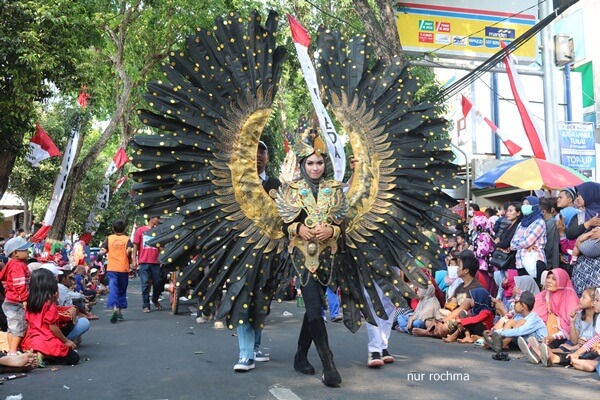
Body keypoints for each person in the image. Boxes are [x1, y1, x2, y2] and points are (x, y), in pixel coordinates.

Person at [276, 130, 345, 387]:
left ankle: (300, 355)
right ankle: (329, 365)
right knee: (315, 307)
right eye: (310, 163)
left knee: (315, 309)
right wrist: (297, 229)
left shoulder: (335, 189)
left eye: (319, 162)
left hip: (327, 256)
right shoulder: (291, 190)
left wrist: (333, 230)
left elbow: (343, 224)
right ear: (303, 165)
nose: (315, 167)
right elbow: (281, 224)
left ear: (325, 164)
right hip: (302, 256)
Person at [233, 140, 280, 372]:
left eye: (262, 151)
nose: (258, 155)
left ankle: (256, 346)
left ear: (267, 158)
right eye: (254, 151)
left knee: (261, 299)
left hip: (269, 252)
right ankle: (245, 354)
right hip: (242, 250)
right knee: (243, 298)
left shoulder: (275, 185)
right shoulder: (239, 183)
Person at [22, 268, 79, 365]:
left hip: (32, 339)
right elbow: (52, 327)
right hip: (46, 340)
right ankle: (43, 355)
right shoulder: (49, 304)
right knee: (74, 358)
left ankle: (40, 354)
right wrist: (66, 341)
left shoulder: (30, 302)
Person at [0, 237, 33, 355]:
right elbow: (19, 284)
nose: (28, 252)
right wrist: (24, 299)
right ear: (15, 253)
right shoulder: (18, 265)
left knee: (12, 328)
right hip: (16, 302)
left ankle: (11, 350)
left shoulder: (11, 264)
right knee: (19, 327)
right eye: (24, 250)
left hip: (10, 300)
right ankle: (13, 352)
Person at [532, 269, 580, 348]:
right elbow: (535, 312)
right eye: (548, 278)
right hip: (550, 329)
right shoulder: (547, 294)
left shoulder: (570, 298)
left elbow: (570, 325)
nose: (549, 281)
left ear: (562, 281)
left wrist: (554, 336)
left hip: (564, 335)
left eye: (554, 279)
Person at [568, 182, 600, 296]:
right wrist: (588, 224)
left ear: (590, 195)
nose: (577, 198)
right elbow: (570, 233)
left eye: (580, 195)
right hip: (581, 267)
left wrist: (579, 243)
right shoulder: (580, 215)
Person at [101, 220, 132, 323]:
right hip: (123, 268)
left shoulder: (109, 238)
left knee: (113, 288)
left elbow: (104, 251)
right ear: (125, 229)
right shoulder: (127, 239)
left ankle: (114, 308)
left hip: (112, 268)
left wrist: (99, 255)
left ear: (113, 229)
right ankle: (119, 311)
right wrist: (130, 258)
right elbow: (129, 250)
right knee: (122, 289)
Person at [510, 196, 547, 283]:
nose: (525, 206)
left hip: (534, 261)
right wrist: (524, 244)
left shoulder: (539, 222)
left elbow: (527, 241)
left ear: (535, 206)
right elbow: (512, 244)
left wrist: (520, 243)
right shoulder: (521, 223)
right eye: (523, 204)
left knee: (535, 292)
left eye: (528, 204)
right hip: (520, 263)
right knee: (524, 292)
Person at [132, 214, 163, 313]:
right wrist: (134, 260)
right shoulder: (140, 230)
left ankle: (155, 299)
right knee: (145, 284)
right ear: (152, 218)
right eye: (158, 218)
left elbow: (161, 247)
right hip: (144, 261)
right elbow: (135, 246)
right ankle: (146, 305)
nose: (159, 220)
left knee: (158, 283)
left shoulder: (159, 231)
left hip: (156, 262)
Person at [539, 197, 559, 270]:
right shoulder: (546, 222)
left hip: (549, 264)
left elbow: (548, 246)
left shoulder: (550, 223)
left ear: (543, 212)